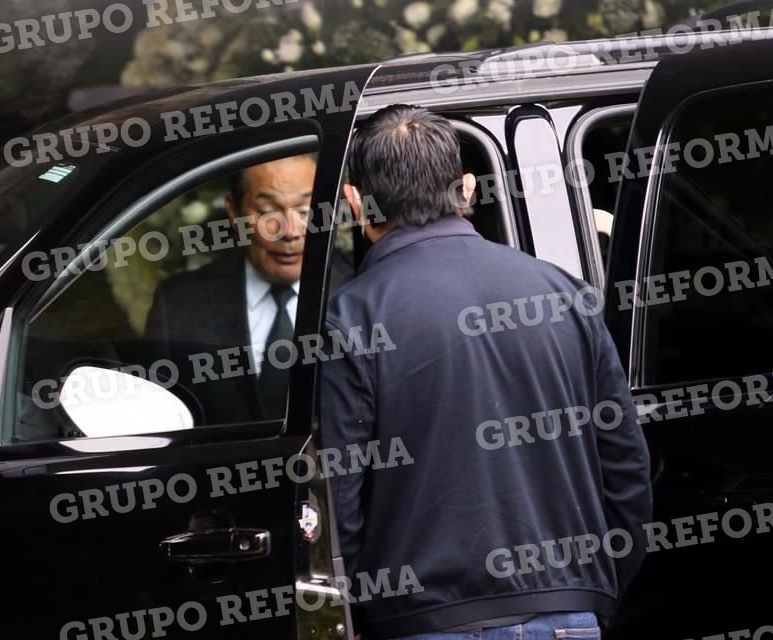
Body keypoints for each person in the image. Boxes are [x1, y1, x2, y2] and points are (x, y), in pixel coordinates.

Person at [320, 105, 652, 639]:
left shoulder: (351, 316)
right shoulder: (563, 293)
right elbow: (627, 470)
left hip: (423, 621)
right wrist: (592, 590)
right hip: (568, 614)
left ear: (355, 201)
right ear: (468, 189)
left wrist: (359, 613)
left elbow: (340, 500)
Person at [146, 153, 342, 423]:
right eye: (269, 211)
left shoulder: (363, 293)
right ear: (233, 213)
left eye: (305, 210)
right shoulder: (179, 304)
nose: (290, 232)